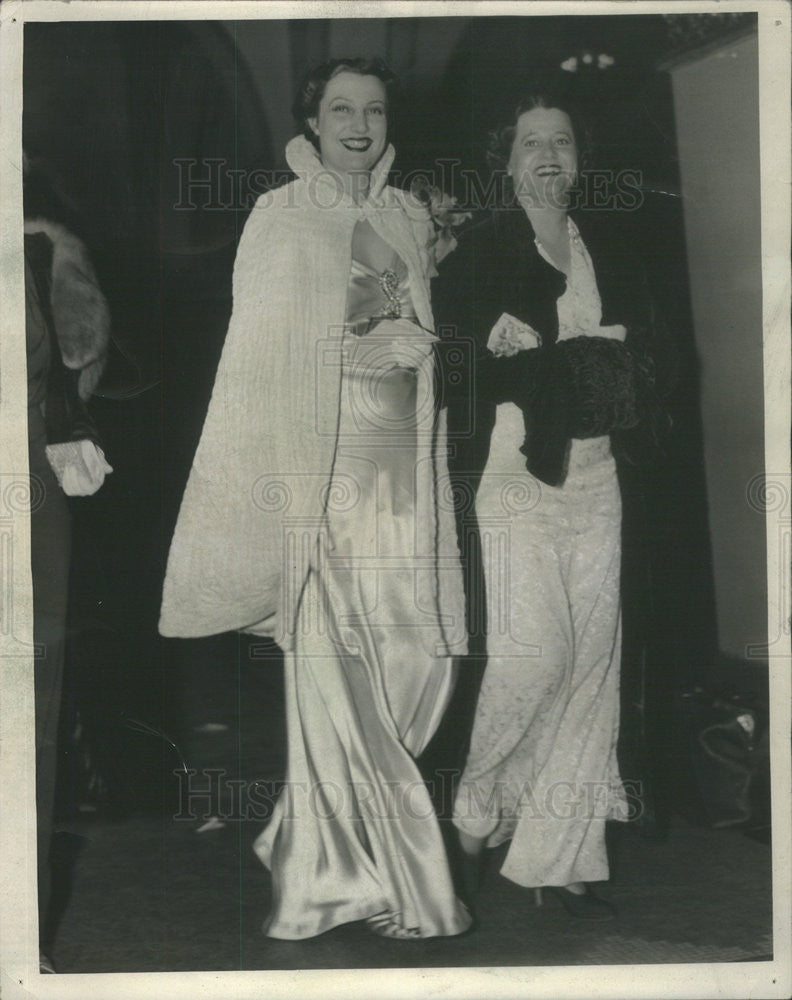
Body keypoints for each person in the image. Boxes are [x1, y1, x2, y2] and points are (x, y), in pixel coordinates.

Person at [159, 57, 471, 940]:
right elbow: (257, 359)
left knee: (419, 661)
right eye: (342, 108)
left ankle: (319, 840)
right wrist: (342, 357)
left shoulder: (408, 212)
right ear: (314, 119)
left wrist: (416, 343)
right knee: (340, 676)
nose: (360, 123)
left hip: (402, 473)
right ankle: (386, 885)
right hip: (323, 472)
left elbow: (423, 329)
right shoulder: (280, 215)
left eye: (373, 108)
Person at [433, 81, 669, 919]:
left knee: (593, 666)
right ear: (506, 161)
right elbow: (452, 372)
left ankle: (558, 848)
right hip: (519, 477)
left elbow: (651, 366)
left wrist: (608, 363)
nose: (547, 155)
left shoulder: (614, 249)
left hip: (602, 478)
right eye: (530, 141)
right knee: (537, 655)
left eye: (561, 141)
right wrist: (524, 359)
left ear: (578, 160)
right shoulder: (479, 253)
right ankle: (476, 807)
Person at [24, 190, 112, 971]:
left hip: (28, 501)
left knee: (27, 723)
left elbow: (80, 362)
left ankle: (17, 935)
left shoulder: (43, 254)